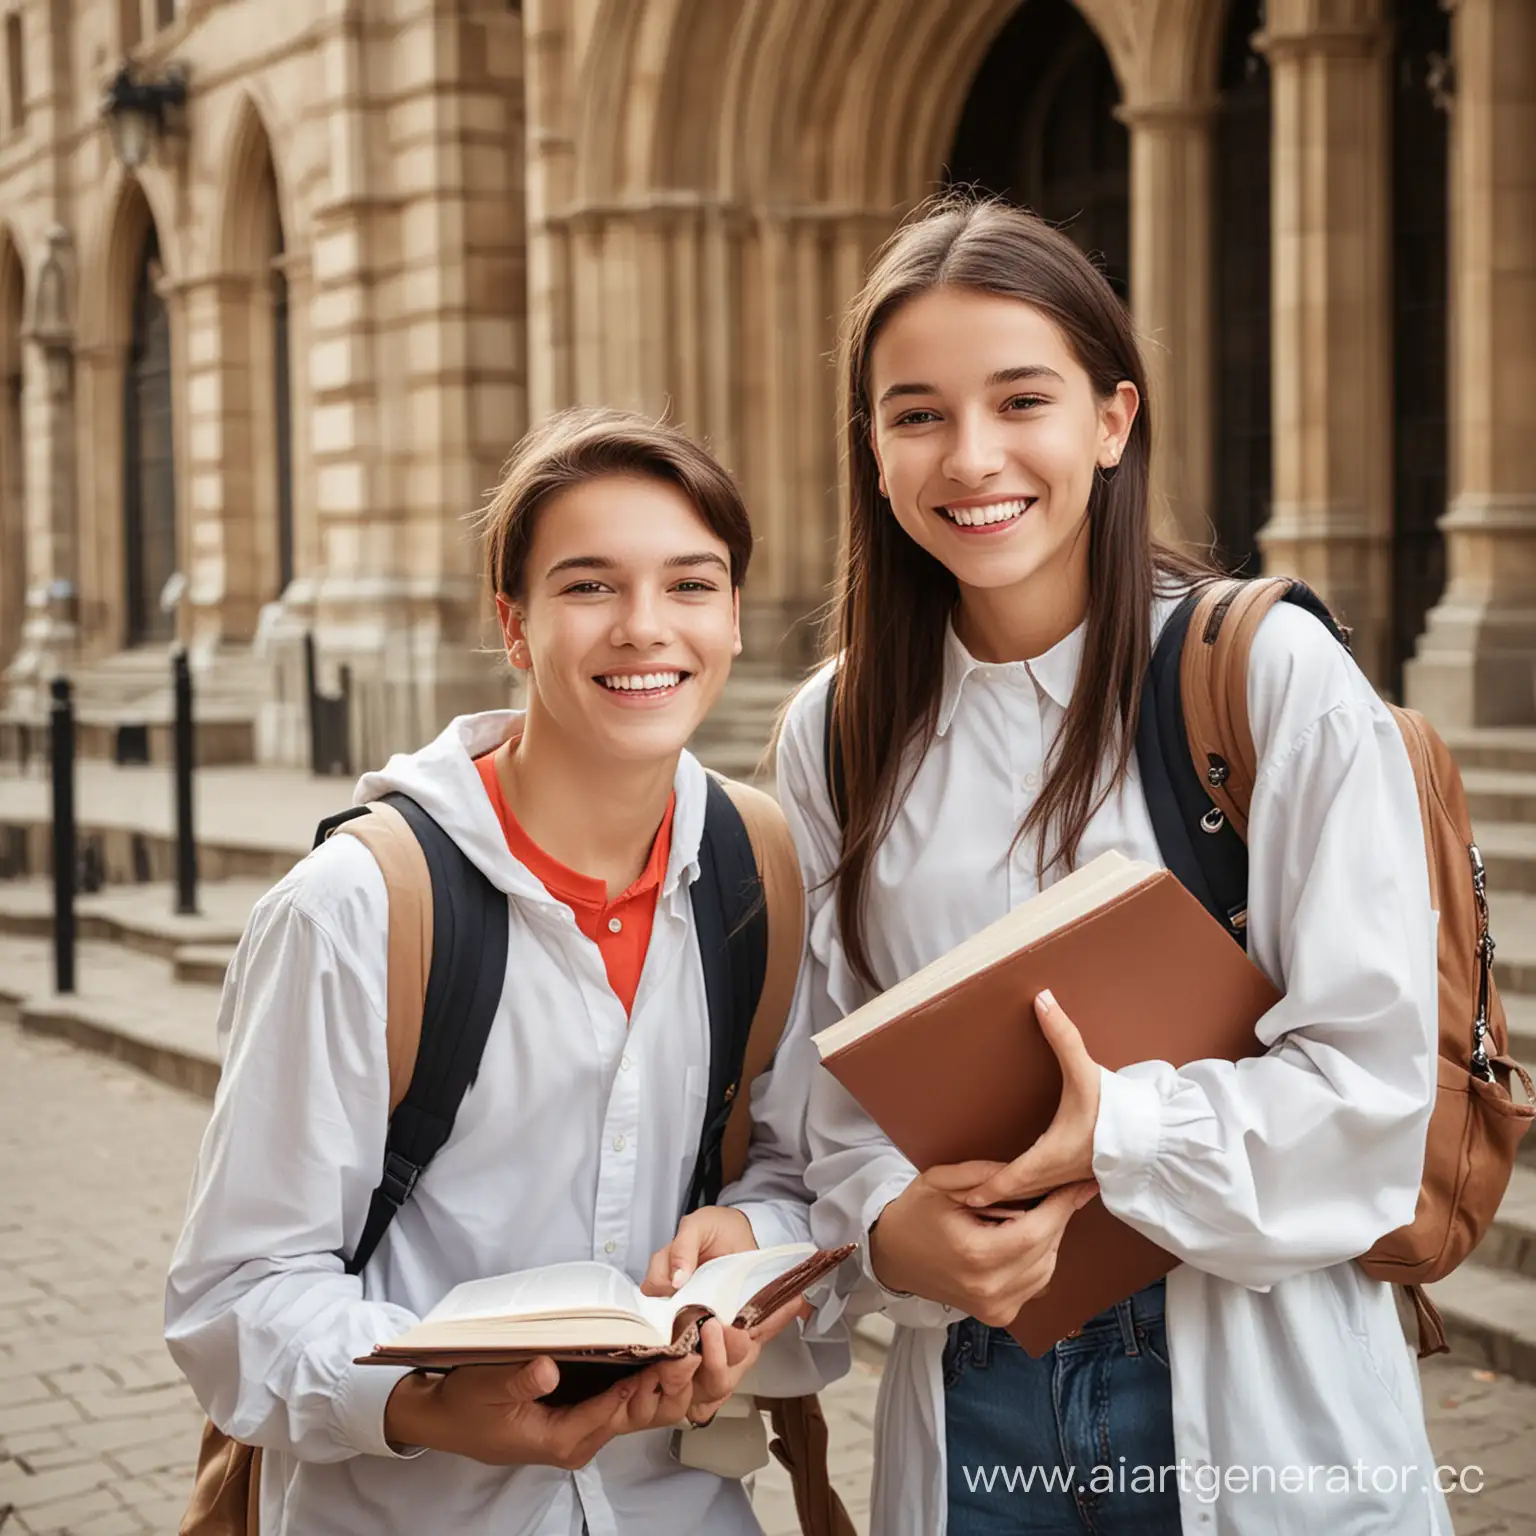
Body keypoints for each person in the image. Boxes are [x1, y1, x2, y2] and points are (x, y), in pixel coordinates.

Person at [770, 198, 1447, 1534]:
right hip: (975, 1406)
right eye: (916, 415)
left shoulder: (1264, 676)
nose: (972, 458)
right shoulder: (837, 731)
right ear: (874, 448)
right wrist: (895, 1231)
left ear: (1113, 419)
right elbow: (825, 1106)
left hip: (1248, 1383)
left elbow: (1377, 1095)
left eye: (1023, 399)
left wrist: (1121, 1132)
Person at [165, 407, 842, 1536]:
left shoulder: (759, 869)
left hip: (682, 1507)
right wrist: (430, 1403)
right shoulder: (355, 910)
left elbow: (792, 1171)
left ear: (731, 618)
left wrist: (753, 1253)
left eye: (689, 585)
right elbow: (235, 1302)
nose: (644, 629)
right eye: (589, 587)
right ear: (514, 625)